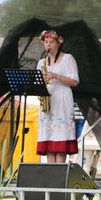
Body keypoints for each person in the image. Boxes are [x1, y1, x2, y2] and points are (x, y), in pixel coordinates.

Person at [36, 30, 79, 163]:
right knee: (49, 140)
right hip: (48, 99)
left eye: (52, 42)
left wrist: (55, 76)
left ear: (58, 43)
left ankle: (60, 171)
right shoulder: (41, 62)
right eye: (46, 42)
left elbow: (75, 82)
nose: (48, 45)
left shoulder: (68, 58)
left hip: (62, 98)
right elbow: (37, 83)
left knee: (60, 141)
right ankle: (51, 172)